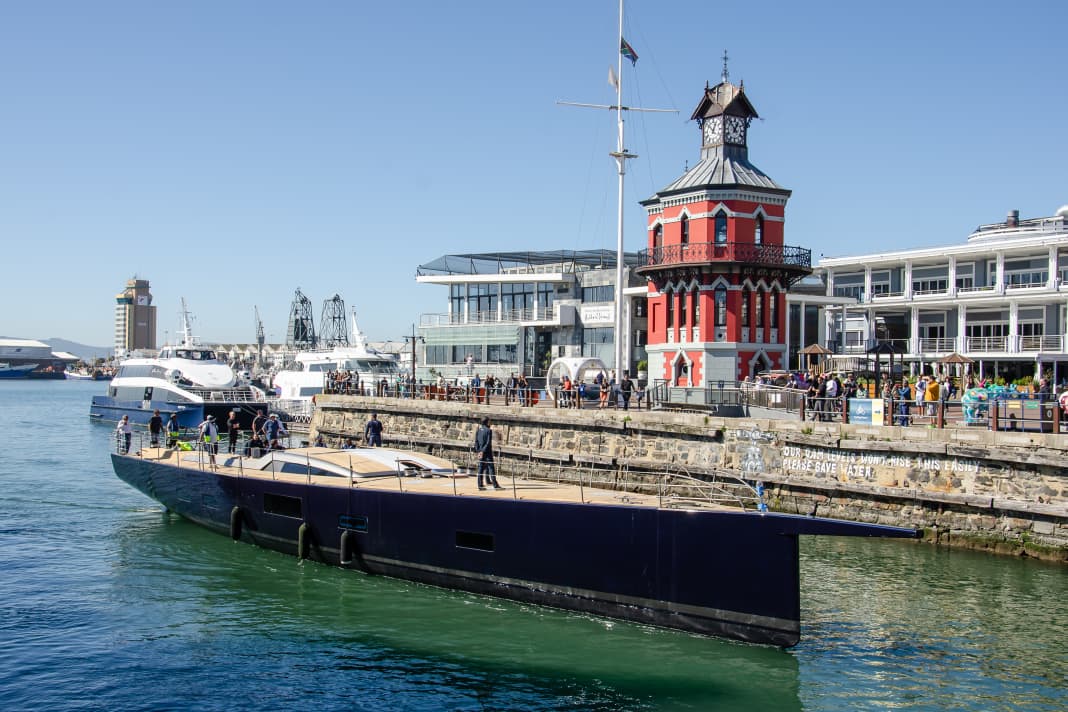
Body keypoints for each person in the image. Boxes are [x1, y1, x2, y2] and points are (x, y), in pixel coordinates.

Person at [473, 417, 503, 490]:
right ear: (486, 422)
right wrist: (483, 451)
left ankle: (480, 485)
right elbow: (488, 443)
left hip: (480, 452)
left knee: (480, 468)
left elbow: (476, 442)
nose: (490, 423)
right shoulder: (489, 431)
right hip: (487, 452)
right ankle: (495, 485)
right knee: (491, 468)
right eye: (489, 421)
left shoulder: (478, 430)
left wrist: (479, 451)